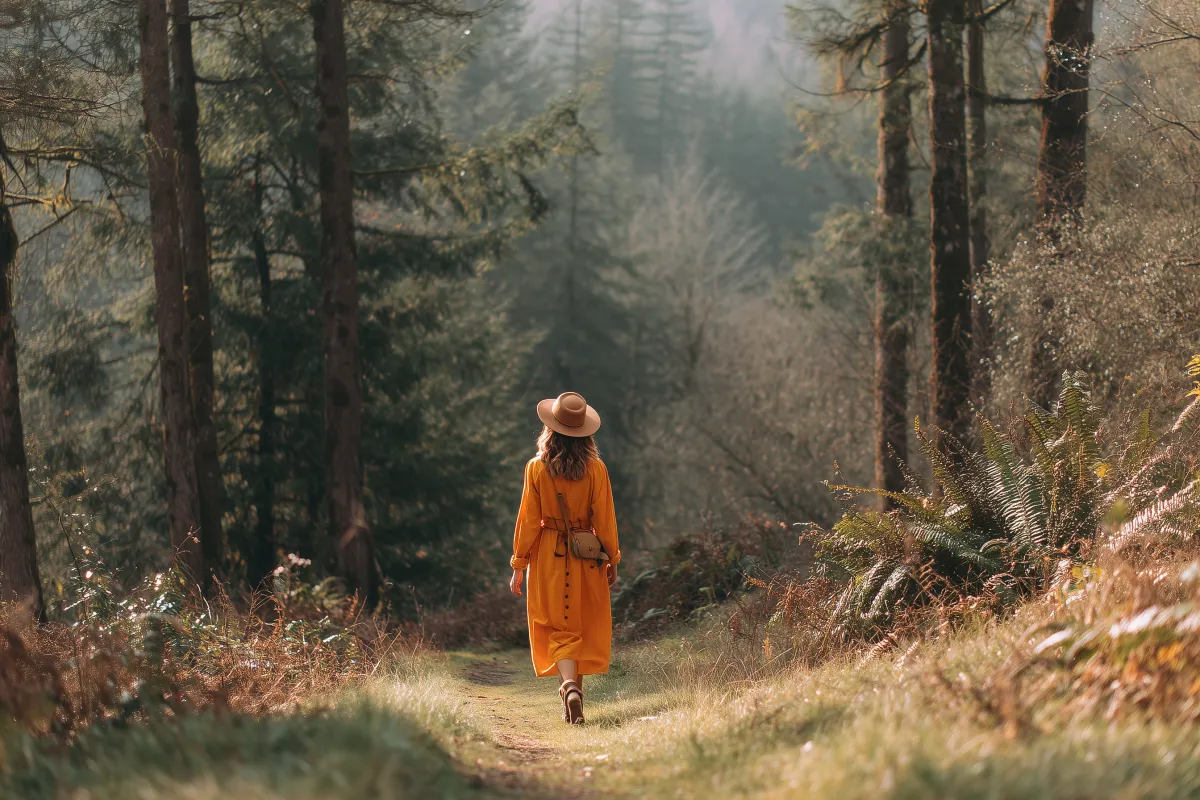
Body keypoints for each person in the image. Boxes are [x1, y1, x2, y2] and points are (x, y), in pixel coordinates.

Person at [508, 391, 620, 725]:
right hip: (586, 557)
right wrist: (612, 558)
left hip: (548, 556)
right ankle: (573, 697)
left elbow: (528, 520)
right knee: (577, 627)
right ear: (585, 432)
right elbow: (605, 519)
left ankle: (570, 687)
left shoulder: (535, 468)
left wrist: (519, 564)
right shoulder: (596, 469)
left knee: (555, 626)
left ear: (550, 429)